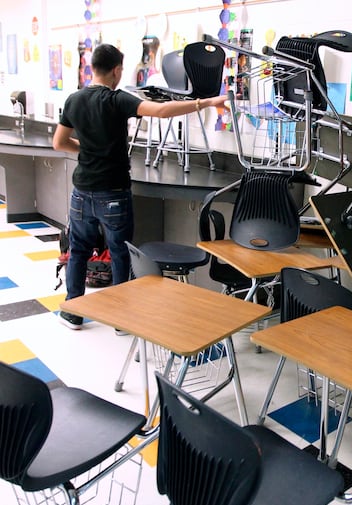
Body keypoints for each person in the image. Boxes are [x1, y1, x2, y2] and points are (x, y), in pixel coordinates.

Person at [53, 43, 227, 331]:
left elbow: (59, 142)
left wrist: (86, 150)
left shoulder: (74, 100)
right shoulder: (117, 99)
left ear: (92, 67)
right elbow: (160, 112)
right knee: (120, 251)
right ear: (117, 70)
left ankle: (72, 311)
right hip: (113, 193)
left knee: (79, 250)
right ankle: (121, 319)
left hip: (82, 191)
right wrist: (204, 102)